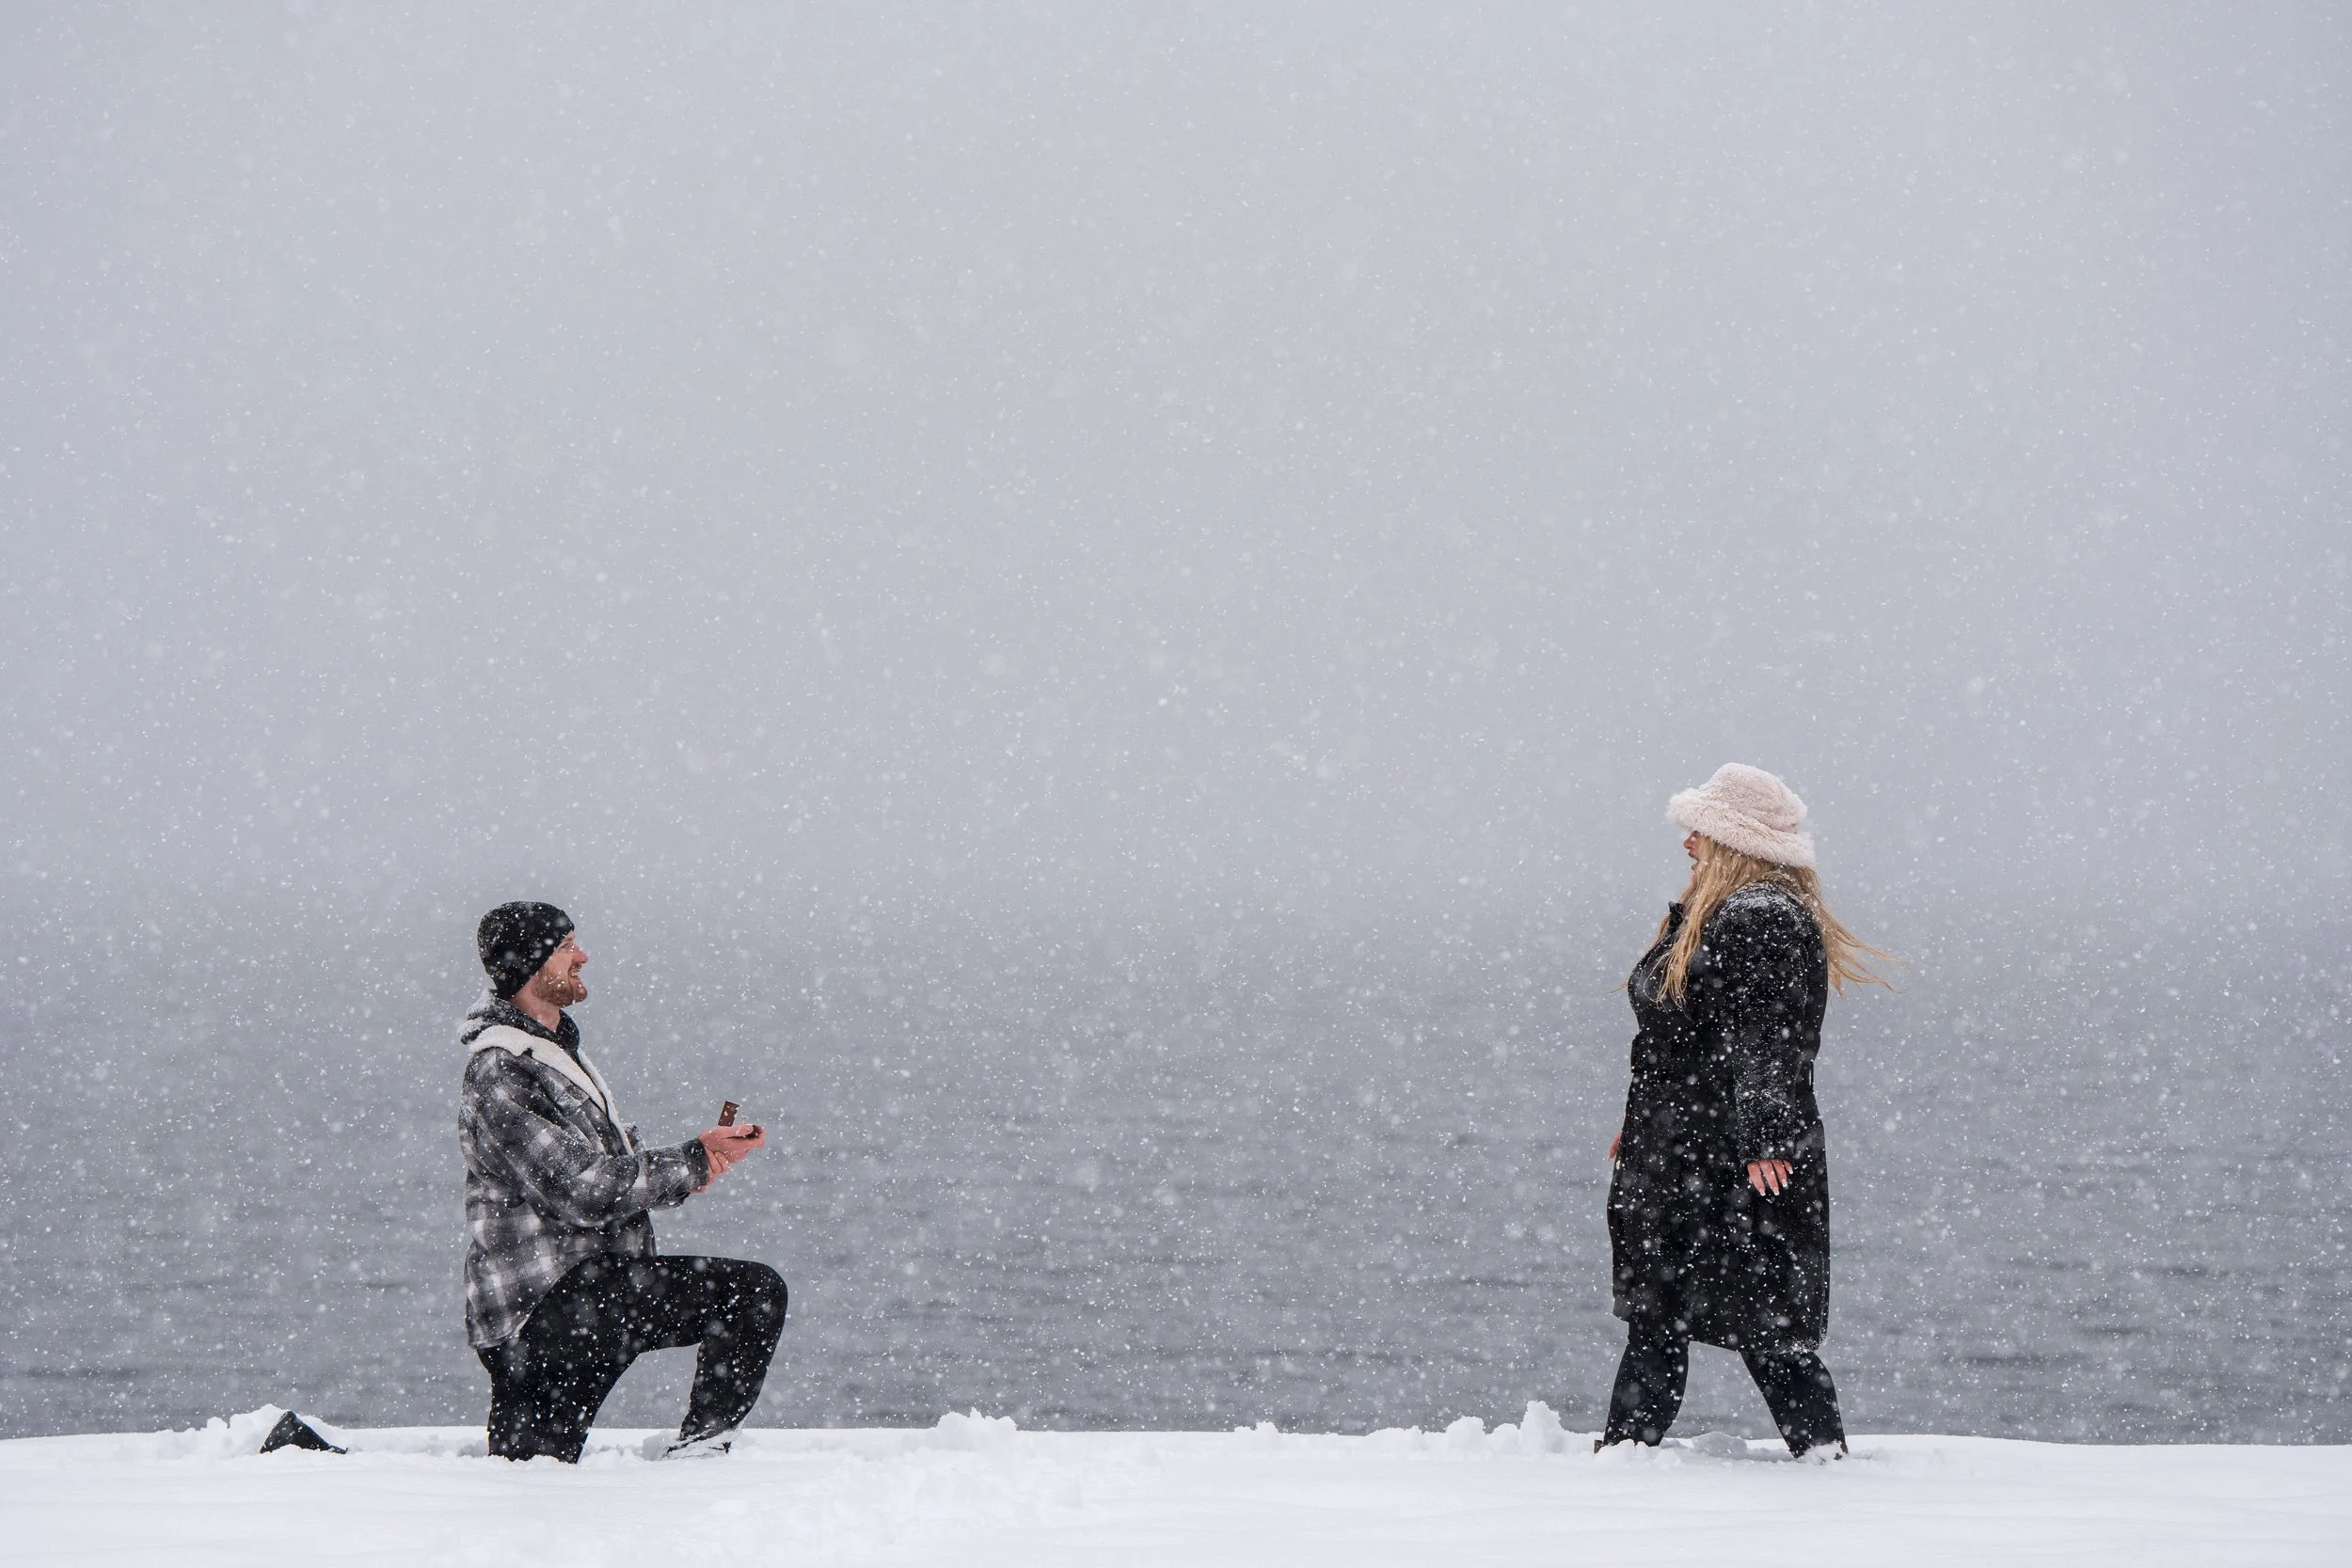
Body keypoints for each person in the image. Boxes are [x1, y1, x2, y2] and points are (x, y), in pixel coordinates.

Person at [1598, 765, 1890, 1458]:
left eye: (1698, 830)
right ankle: (1621, 1459)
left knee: (1768, 1332)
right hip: (1681, 1149)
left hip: (1725, 1159)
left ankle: (1824, 1466)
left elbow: (1770, 1040)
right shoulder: (1722, 912)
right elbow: (1680, 1040)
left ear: (1733, 841)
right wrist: (1639, 1121)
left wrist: (1767, 1138)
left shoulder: (1761, 917)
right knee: (1663, 1320)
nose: (1687, 843)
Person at [458, 900, 784, 1462]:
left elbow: (607, 1169)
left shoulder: (553, 1054)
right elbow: (582, 1188)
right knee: (750, 1294)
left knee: (530, 1467)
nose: (582, 956)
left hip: (583, 1300)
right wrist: (693, 1160)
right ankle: (702, 1458)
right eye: (566, 948)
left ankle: (296, 1453)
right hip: (552, 1308)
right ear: (530, 964)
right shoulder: (502, 1070)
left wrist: (697, 1166)